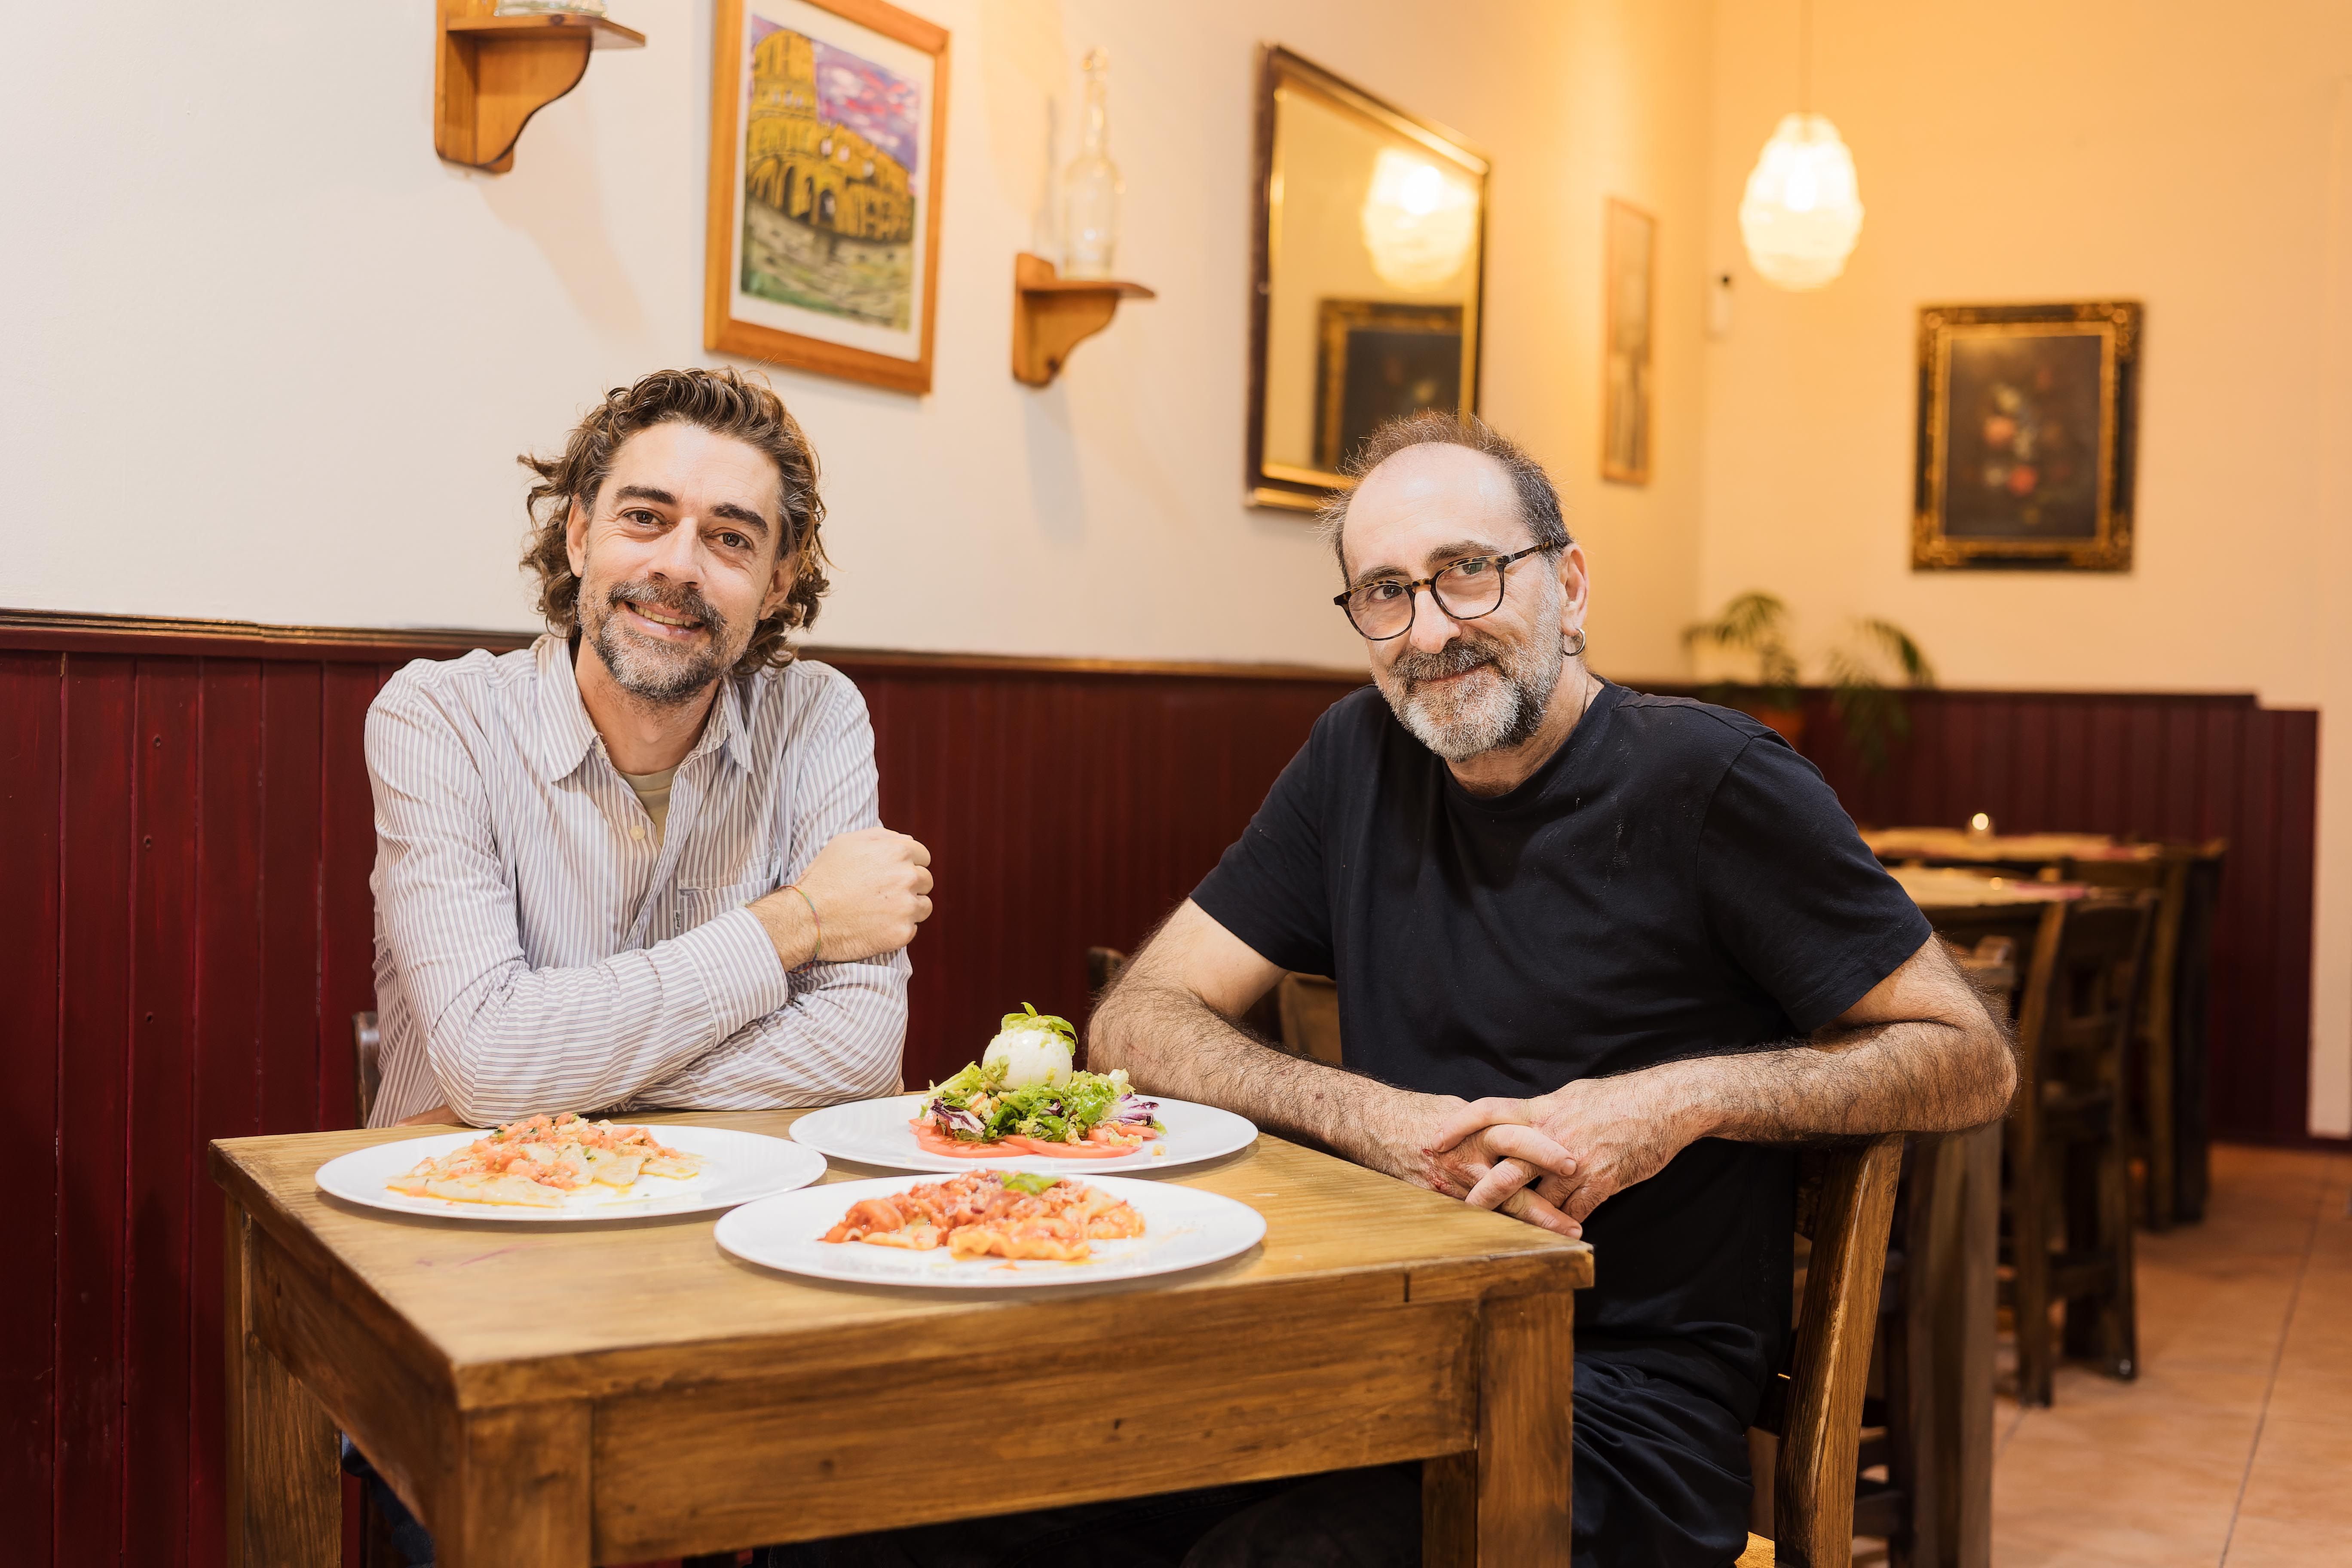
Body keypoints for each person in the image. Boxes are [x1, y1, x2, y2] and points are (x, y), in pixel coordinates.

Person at [1076, 412, 2018, 1568]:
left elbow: (1968, 1052)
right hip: (1376, 1346)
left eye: (1469, 573)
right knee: (952, 1512)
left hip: (1625, 1410)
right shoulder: (1353, 758)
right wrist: (1372, 1119)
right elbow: (1136, 1021)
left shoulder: (1716, 780)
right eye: (1385, 592)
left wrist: (1677, 1103)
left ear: (1568, 585)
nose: (1430, 629)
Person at [366, 366, 933, 1130]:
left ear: (776, 585)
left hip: (737, 1216)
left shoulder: (815, 716)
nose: (677, 566)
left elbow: (860, 1053)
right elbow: (490, 1061)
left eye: (731, 538)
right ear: (578, 536)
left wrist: (546, 1080)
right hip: (461, 1215)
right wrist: (798, 920)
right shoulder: (441, 718)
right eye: (644, 518)